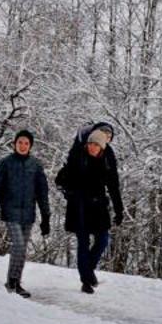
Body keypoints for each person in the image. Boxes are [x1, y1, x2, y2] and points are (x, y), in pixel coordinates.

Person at [56, 123, 124, 294]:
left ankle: (88, 270)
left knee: (103, 240)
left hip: (99, 205)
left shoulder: (108, 157)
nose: (93, 147)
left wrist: (119, 209)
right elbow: (62, 178)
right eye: (91, 144)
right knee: (83, 243)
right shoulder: (79, 155)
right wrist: (69, 191)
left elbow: (114, 185)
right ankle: (86, 280)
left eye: (98, 144)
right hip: (79, 205)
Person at [0, 129, 50, 298]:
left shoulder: (36, 165)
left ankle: (14, 282)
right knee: (19, 245)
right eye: (20, 142)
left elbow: (42, 193)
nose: (23, 146)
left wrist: (46, 217)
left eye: (26, 143)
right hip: (10, 211)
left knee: (21, 250)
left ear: (30, 146)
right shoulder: (5, 163)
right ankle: (13, 281)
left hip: (28, 214)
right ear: (15, 144)